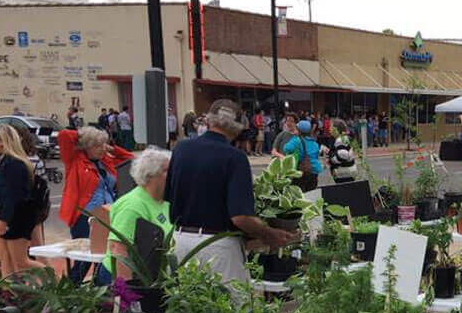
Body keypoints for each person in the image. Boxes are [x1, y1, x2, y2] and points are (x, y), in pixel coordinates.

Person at [165, 99, 297, 283]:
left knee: (188, 308)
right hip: (218, 246)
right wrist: (269, 235)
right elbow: (240, 217)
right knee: (228, 307)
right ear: (237, 129)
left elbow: (168, 197)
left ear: (208, 121)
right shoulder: (235, 158)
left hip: (181, 242)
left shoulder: (181, 149)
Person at [58, 125, 134, 283]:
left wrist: (112, 149)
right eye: (96, 146)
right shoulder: (75, 160)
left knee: (104, 256)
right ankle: (70, 289)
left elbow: (130, 159)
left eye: (102, 145)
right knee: (84, 259)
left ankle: (97, 291)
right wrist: (86, 135)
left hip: (107, 215)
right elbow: (64, 135)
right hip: (85, 216)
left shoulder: (105, 161)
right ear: (86, 146)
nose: (101, 149)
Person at [101, 147, 173, 282]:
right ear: (150, 175)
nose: (173, 173)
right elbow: (118, 249)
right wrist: (128, 293)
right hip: (125, 280)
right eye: (166, 170)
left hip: (151, 277)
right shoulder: (132, 206)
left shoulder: (165, 202)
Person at [0, 125, 44, 276]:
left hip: (17, 218)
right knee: (4, 257)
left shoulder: (14, 164)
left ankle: (54, 280)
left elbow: (15, 196)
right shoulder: (8, 161)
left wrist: (4, 220)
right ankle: (9, 293)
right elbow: (11, 190)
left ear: (2, 142)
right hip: (10, 215)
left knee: (20, 261)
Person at [284, 120, 323, 192]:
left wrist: (294, 137)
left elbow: (286, 148)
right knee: (311, 194)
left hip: (303, 171)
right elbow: (316, 156)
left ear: (299, 130)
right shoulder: (314, 143)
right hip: (314, 171)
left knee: (300, 193)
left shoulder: (297, 140)